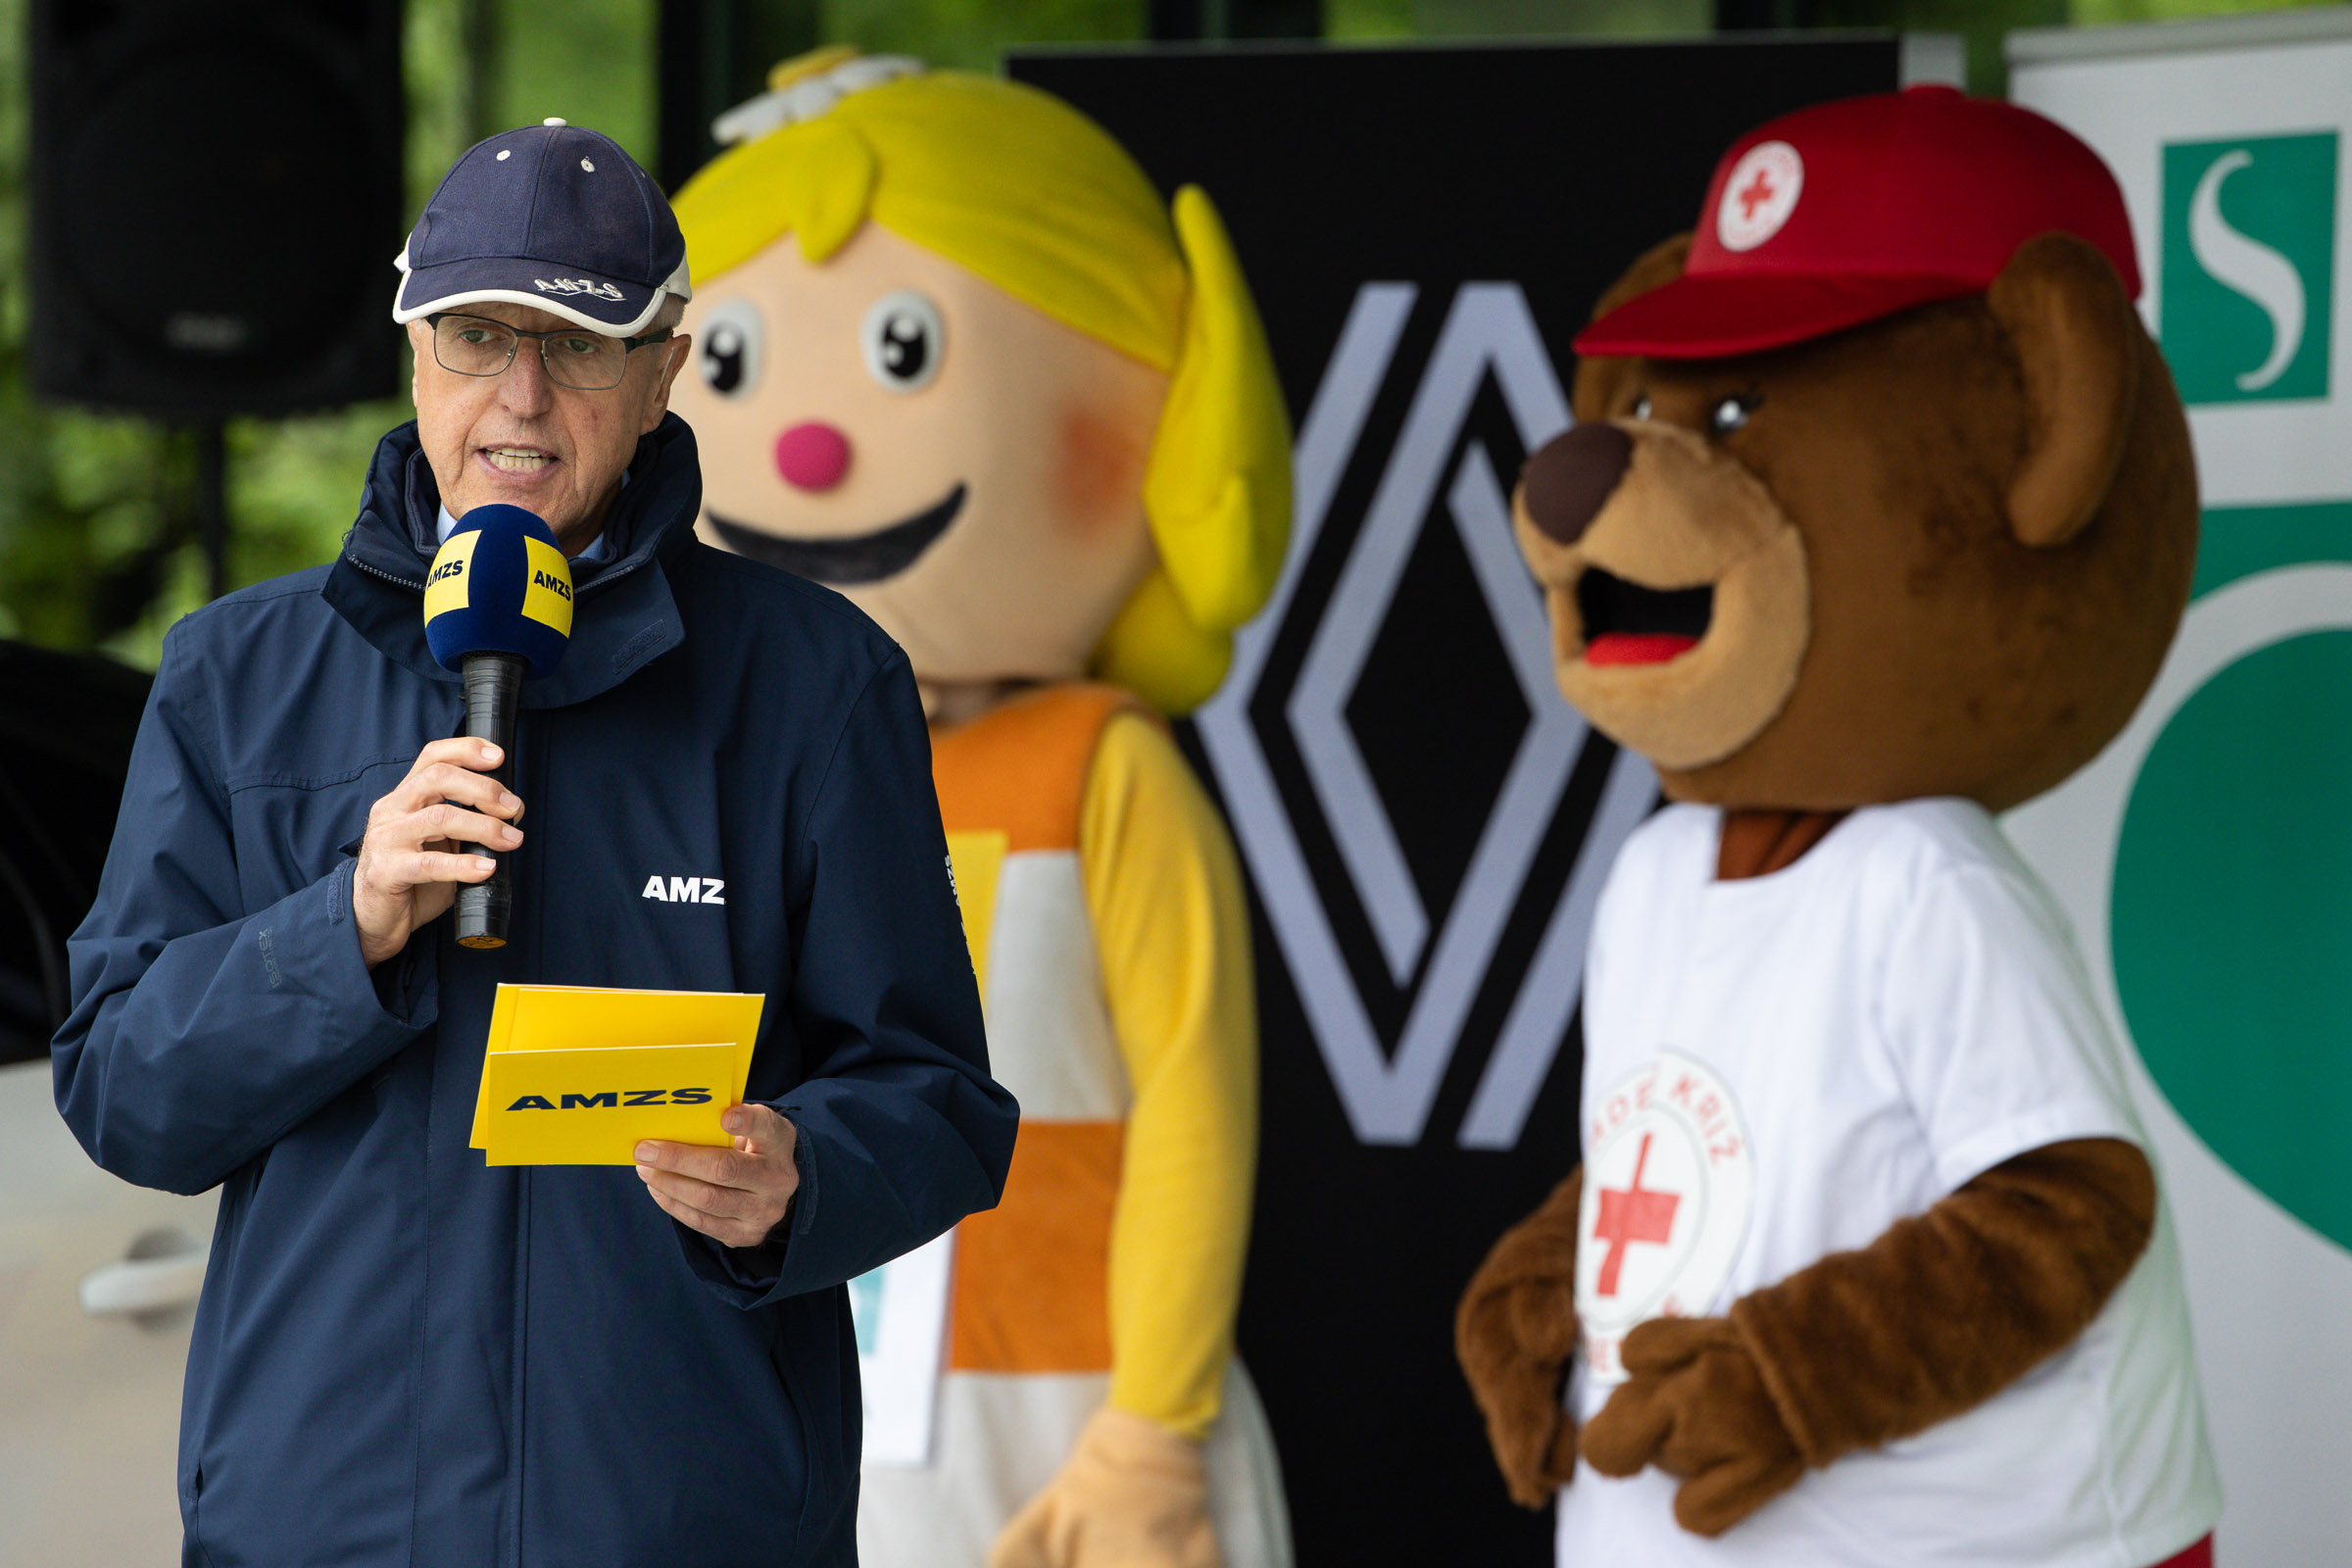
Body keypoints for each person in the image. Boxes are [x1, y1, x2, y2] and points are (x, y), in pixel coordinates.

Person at [51, 120, 1016, 1567]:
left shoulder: (818, 683)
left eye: (575, 346)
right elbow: (124, 1092)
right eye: (477, 337)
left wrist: (800, 1177)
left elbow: (938, 1101)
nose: (520, 395)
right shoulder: (236, 675)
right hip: (324, 1531)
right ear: (414, 354)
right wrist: (344, 927)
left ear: (664, 372)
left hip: (683, 1531)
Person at [668, 55, 1294, 1568]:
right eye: (730, 365)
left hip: (1064, 1435)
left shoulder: (1099, 770)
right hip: (785, 1409)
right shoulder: (705, 771)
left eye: (904, 349)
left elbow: (1196, 1112)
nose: (809, 449)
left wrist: (1153, 1431)